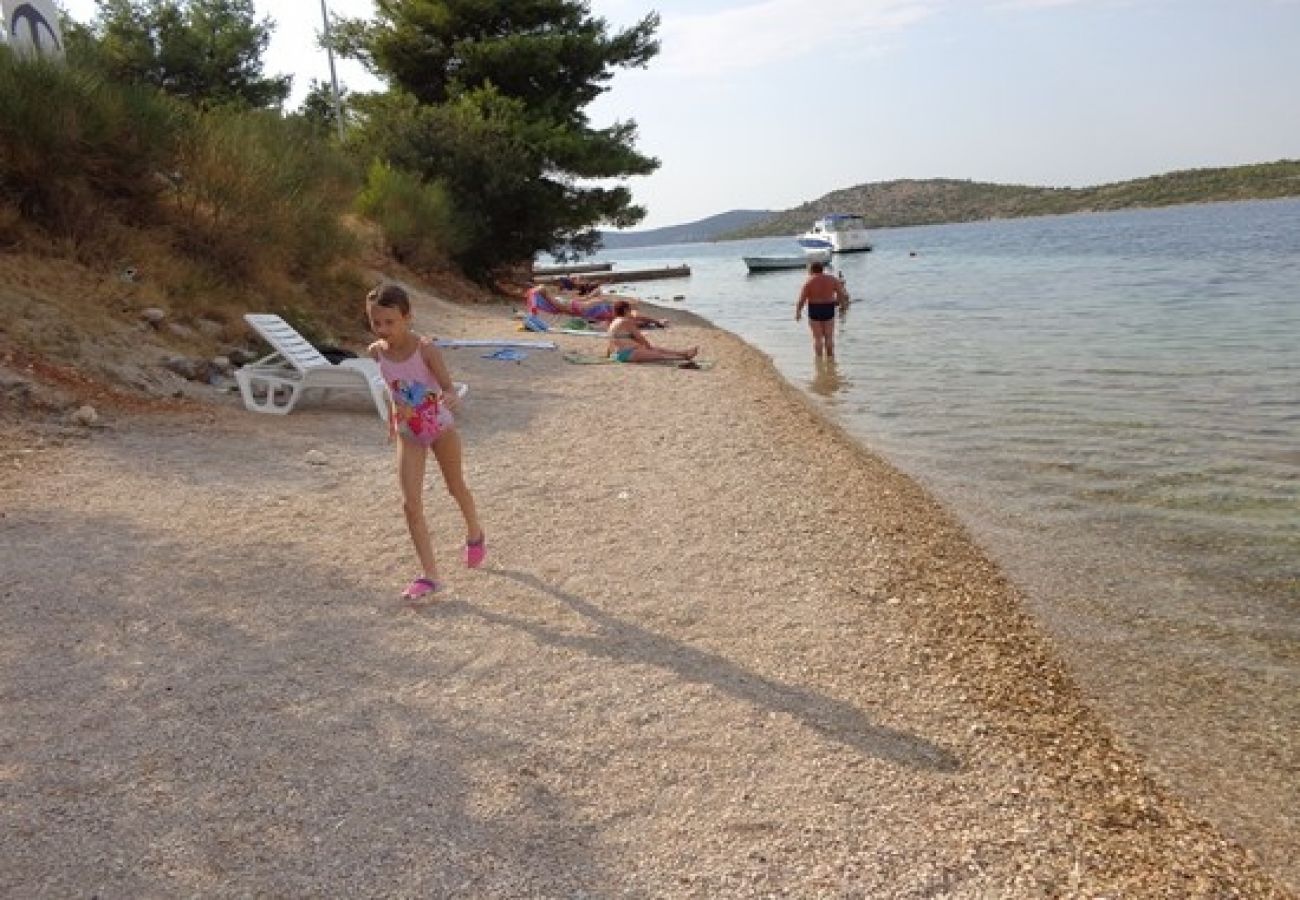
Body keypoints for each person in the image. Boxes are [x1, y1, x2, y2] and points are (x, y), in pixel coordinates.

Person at [366, 283, 486, 599]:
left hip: (441, 428)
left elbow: (449, 389)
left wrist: (447, 398)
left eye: (389, 322)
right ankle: (430, 576)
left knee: (455, 487)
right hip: (410, 434)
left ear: (407, 318)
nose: (382, 329)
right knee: (410, 503)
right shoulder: (377, 352)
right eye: (376, 322)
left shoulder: (427, 350)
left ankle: (475, 532)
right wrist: (394, 417)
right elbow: (393, 388)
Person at [525, 284, 669, 328]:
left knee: (635, 319)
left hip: (581, 308)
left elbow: (636, 320)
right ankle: (658, 321)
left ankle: (657, 322)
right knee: (545, 294)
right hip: (580, 308)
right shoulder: (612, 312)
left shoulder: (613, 315)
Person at [606, 300, 698, 364]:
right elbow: (640, 338)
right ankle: (683, 357)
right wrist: (648, 347)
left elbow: (611, 341)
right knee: (660, 355)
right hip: (627, 354)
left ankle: (683, 353)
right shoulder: (625, 322)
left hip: (621, 353)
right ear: (625, 310)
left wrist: (608, 354)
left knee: (658, 349)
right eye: (629, 310)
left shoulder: (614, 321)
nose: (630, 312)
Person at [795, 261, 850, 358]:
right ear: (822, 269)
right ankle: (830, 358)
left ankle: (819, 360)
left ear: (811, 270)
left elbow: (801, 299)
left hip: (815, 309)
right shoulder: (832, 279)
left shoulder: (809, 282)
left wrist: (798, 312)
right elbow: (841, 294)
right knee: (829, 336)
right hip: (828, 308)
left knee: (817, 338)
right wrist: (844, 306)